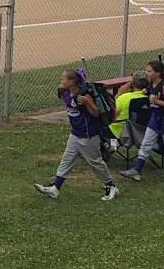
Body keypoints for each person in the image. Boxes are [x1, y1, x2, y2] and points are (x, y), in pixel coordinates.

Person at [33, 70, 121, 201]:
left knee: (95, 162)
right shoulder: (66, 93)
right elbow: (62, 93)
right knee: (67, 159)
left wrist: (87, 103)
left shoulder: (84, 95)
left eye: (64, 79)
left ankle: (111, 186)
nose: (61, 81)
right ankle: (55, 188)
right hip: (75, 133)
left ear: (72, 82)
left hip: (88, 135)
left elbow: (96, 113)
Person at [121, 60, 164, 183]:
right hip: (155, 119)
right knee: (146, 144)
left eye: (149, 71)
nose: (146, 73)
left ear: (158, 73)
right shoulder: (150, 84)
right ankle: (137, 170)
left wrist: (158, 101)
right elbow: (150, 95)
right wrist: (146, 92)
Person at [108, 74, 149, 141]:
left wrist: (119, 93)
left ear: (132, 84)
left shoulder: (124, 97)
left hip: (120, 133)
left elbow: (111, 114)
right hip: (142, 132)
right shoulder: (149, 97)